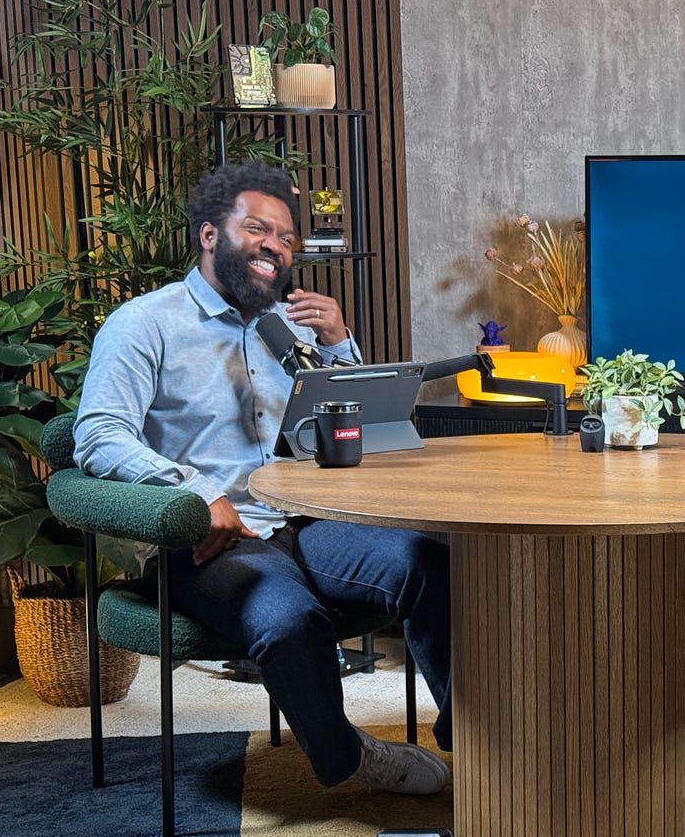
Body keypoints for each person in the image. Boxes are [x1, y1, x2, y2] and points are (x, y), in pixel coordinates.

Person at [74, 161, 454, 795]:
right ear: (208, 234)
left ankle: (479, 734)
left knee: (425, 559)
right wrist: (197, 494)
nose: (275, 246)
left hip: (302, 521)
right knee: (288, 618)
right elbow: (97, 436)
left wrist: (337, 347)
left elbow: (347, 429)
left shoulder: (285, 328)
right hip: (209, 538)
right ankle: (349, 757)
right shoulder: (144, 324)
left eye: (286, 238)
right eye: (257, 229)